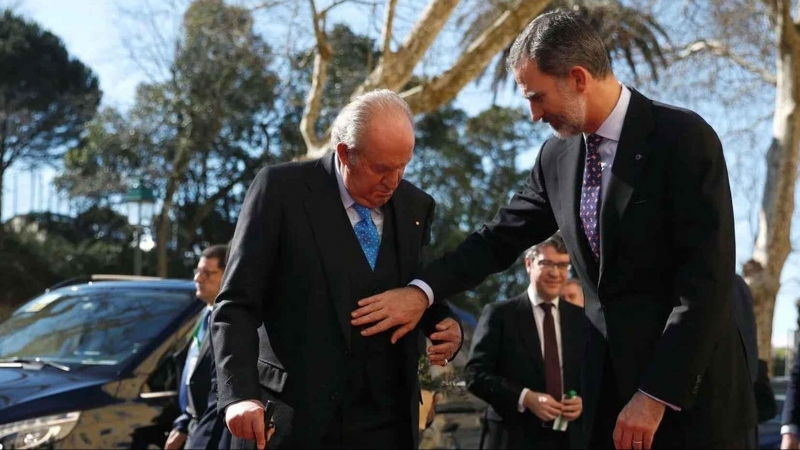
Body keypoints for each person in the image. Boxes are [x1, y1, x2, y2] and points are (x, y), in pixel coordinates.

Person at [351, 9, 757, 449]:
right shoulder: (556, 159)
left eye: (537, 97)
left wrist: (654, 396)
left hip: (687, 403)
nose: (533, 114)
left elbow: (706, 283)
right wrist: (421, 291)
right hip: (609, 403)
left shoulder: (682, 139)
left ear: (578, 78)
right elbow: (497, 238)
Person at [211, 89, 464, 450]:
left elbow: (415, 286)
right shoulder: (281, 190)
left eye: (403, 165)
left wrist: (443, 323)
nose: (393, 181)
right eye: (381, 168)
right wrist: (238, 395)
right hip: (293, 421)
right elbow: (236, 303)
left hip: (387, 423)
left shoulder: (415, 206)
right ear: (345, 152)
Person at [468, 234, 586, 449]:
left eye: (562, 265)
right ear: (528, 263)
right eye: (546, 263)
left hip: (567, 440)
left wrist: (582, 401)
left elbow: (591, 373)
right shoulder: (499, 314)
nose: (555, 272)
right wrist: (525, 397)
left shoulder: (581, 318)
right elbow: (475, 375)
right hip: (512, 438)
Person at [165, 244, 232, 450]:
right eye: (198, 271)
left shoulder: (228, 324)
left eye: (207, 273)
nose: (198, 278)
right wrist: (184, 423)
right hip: (194, 425)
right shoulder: (204, 314)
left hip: (213, 434)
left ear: (228, 275)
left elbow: (220, 390)